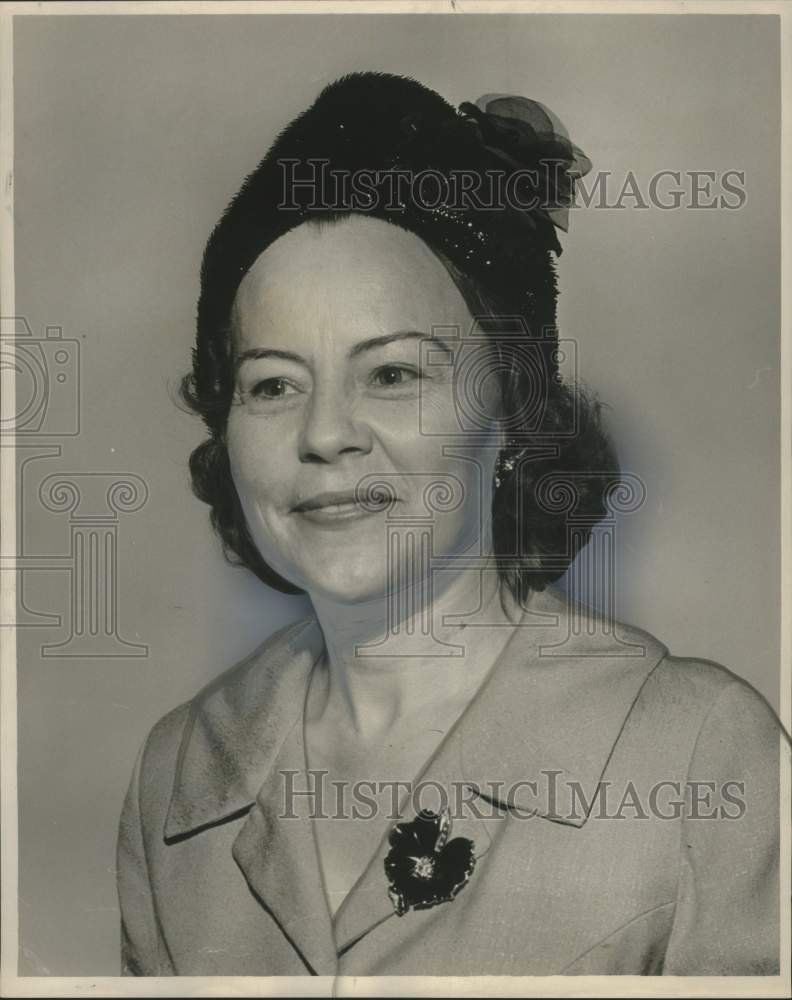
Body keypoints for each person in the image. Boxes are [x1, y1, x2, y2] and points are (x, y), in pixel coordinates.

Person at [117, 71, 785, 977]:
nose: (325, 434)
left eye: (393, 374)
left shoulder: (702, 753)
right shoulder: (179, 771)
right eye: (273, 384)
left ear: (510, 412)